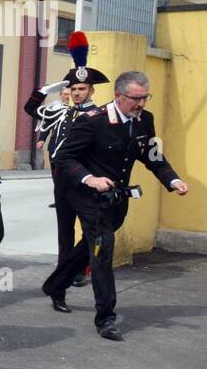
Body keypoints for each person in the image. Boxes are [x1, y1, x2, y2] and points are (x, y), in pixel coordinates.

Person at [42, 71, 188, 340]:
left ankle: (55, 284)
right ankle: (106, 318)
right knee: (102, 252)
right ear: (118, 96)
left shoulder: (145, 120)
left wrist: (173, 180)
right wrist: (90, 179)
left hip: (117, 199)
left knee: (90, 245)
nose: (141, 104)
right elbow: (64, 158)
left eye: (145, 97)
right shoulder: (92, 121)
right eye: (136, 98)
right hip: (85, 196)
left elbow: (153, 156)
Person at [25, 33, 105, 306]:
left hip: (86, 182)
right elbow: (30, 108)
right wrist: (46, 90)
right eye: (73, 88)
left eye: (83, 89)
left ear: (91, 91)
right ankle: (59, 291)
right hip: (63, 182)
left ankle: (85, 275)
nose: (77, 93)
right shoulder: (61, 111)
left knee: (90, 235)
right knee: (64, 235)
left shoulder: (101, 115)